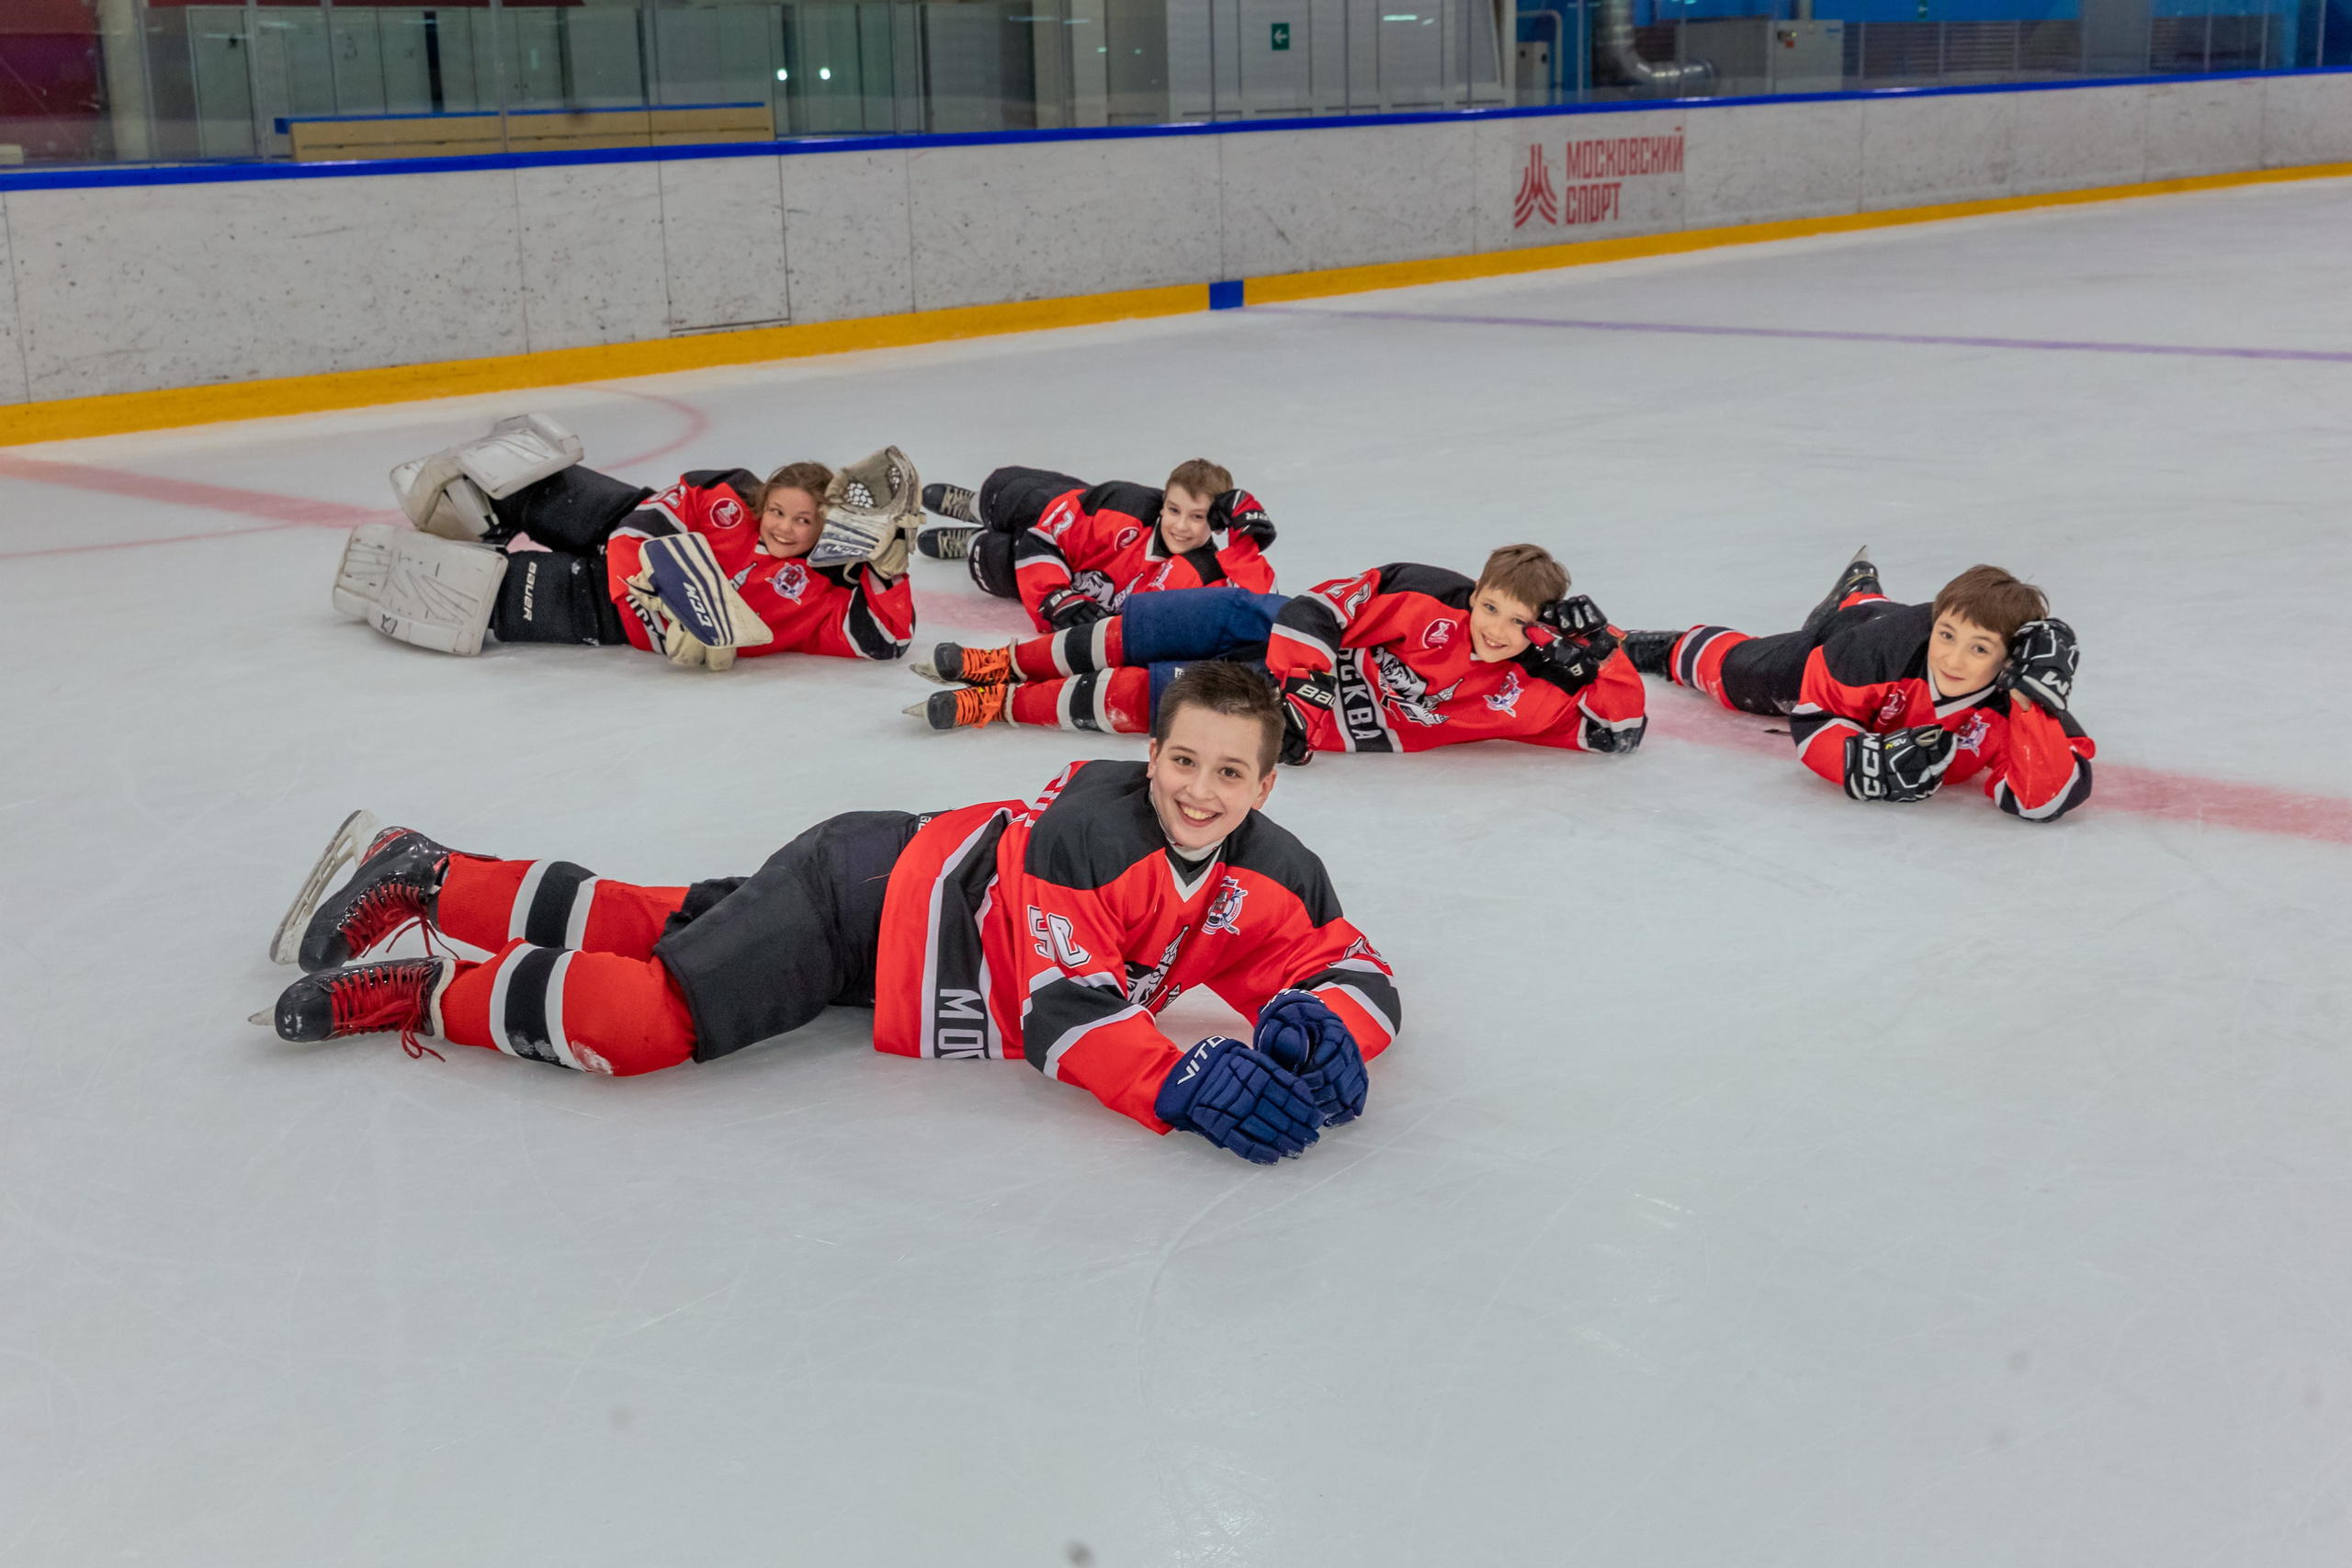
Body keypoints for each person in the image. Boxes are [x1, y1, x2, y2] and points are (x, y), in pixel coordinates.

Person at [261, 664, 1401, 1164]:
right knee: (647, 1019)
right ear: (1148, 754)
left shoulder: (1276, 872)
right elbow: (1062, 1015)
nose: (1198, 790)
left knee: (647, 923)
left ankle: (423, 869)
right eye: (1181, 760)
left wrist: (1326, 1036)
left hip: (894, 931)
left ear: (1264, 788)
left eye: (1227, 775)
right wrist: (1184, 1081)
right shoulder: (1088, 835)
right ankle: (422, 989)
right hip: (861, 903)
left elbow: (1355, 971)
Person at [906, 544, 1647, 762]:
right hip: (1295, 647)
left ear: (1541, 628)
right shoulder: (1431, 597)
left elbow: (1619, 730)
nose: (1493, 628)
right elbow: (1326, 603)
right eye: (1488, 606)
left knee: (1150, 697)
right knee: (1173, 619)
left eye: (1516, 623)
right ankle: (1001, 660)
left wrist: (1603, 651)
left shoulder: (1536, 690)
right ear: (1476, 589)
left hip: (1298, 713)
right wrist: (1309, 680)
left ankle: (998, 702)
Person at [331, 415, 915, 668]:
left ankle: (398, 582)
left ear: (825, 530)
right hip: (622, 528)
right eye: (779, 512)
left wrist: (890, 574)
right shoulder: (732, 498)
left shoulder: (820, 600)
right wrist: (634, 554)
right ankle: (466, 510)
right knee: (534, 483)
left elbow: (886, 640)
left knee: (487, 596)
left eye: (803, 522)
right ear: (765, 501)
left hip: (619, 615)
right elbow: (671, 502)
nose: (785, 528)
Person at [1620, 551, 2093, 820]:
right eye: (1946, 635)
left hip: (1885, 626)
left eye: (1979, 648)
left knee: (1870, 615)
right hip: (1859, 632)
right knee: (1744, 678)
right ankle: (1656, 647)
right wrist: (1855, 760)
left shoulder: (2024, 705)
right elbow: (1812, 717)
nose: (1951, 658)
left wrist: (2032, 705)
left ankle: (1862, 593)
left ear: (2011, 656)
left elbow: (2039, 799)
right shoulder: (1871, 654)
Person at [916, 458, 1278, 632]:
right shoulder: (1125, 506)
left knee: (991, 558)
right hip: (1062, 522)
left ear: (1217, 522)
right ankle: (975, 506)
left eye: (1197, 517)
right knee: (1009, 495)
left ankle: (970, 541)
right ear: (1162, 501)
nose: (1180, 527)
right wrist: (1057, 596)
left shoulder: (1204, 572)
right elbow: (1043, 535)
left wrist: (1245, 542)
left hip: (1065, 570)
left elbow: (1262, 612)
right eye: (1173, 510)